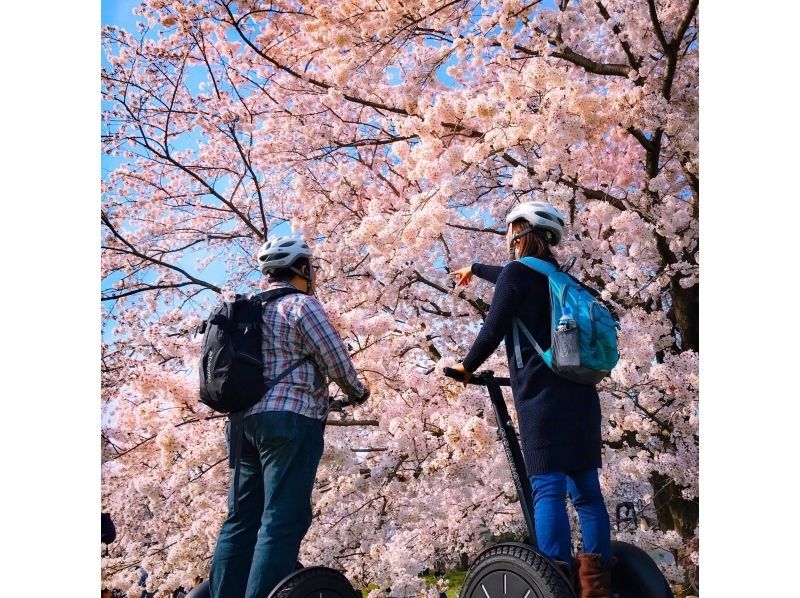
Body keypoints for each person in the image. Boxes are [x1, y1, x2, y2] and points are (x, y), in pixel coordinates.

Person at [449, 201, 613, 598]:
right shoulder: (564, 280)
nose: (507, 237)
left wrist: (467, 367)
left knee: (548, 487)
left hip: (542, 398)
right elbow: (506, 277)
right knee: (587, 491)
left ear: (520, 233)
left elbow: (494, 326)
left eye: (510, 230)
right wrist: (475, 268)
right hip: (582, 395)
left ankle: (553, 581)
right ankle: (596, 585)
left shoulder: (516, 275)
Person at [208, 235, 371, 598]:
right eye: (310, 267)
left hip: (242, 425)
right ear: (300, 268)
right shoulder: (301, 305)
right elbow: (336, 360)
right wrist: (358, 391)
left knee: (240, 520)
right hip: (290, 420)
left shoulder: (246, 309)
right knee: (281, 519)